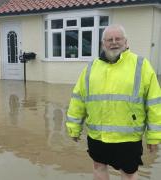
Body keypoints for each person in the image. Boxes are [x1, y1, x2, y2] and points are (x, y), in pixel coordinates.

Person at [66, 24, 161, 180]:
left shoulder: (141, 65)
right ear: (103, 43)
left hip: (128, 138)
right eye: (109, 39)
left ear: (126, 42)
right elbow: (78, 100)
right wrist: (74, 128)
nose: (114, 42)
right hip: (98, 135)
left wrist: (154, 136)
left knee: (129, 173)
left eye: (118, 39)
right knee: (98, 167)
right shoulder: (91, 68)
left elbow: (154, 104)